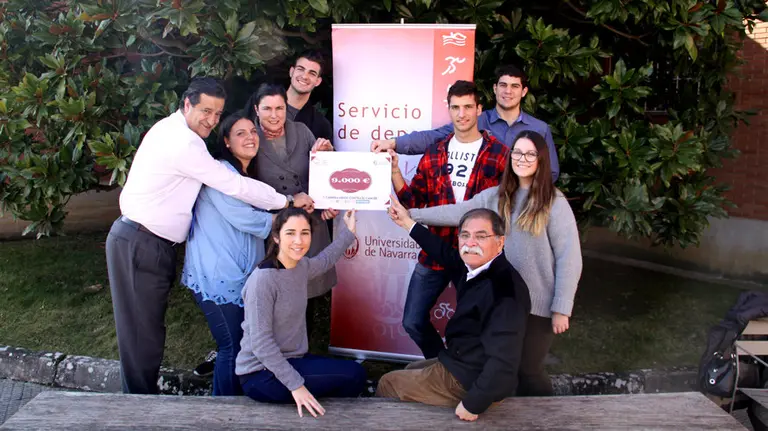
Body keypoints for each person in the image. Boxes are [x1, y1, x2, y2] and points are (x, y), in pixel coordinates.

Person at [106, 78, 313, 395]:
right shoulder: (185, 144)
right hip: (140, 241)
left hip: (152, 244)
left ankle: (142, 402)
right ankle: (138, 408)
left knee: (147, 333)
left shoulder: (180, 135)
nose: (211, 119)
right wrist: (287, 202)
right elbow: (235, 189)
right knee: (140, 336)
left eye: (217, 113)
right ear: (187, 104)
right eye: (206, 111)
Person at [404, 130, 583, 396]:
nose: (522, 158)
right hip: (501, 301)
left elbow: (569, 257)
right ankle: (507, 414)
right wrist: (412, 215)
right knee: (502, 367)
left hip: (537, 306)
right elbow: (458, 212)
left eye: (530, 154)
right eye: (517, 152)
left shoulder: (554, 203)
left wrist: (561, 308)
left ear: (541, 159)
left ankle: (548, 414)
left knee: (528, 370)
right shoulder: (497, 196)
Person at [388, 80, 509, 359]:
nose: (462, 114)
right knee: (413, 321)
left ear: (479, 109)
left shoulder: (499, 153)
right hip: (437, 250)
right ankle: (441, 366)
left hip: (479, 255)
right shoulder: (435, 152)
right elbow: (414, 201)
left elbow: (506, 206)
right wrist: (395, 171)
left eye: (468, 107)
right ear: (449, 110)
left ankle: (473, 371)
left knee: (481, 325)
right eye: (456, 107)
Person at [377, 205, 530, 422]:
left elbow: (505, 362)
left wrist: (473, 404)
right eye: (465, 235)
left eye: (481, 236)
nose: (470, 243)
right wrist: (407, 223)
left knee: (388, 383)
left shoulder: (504, 291)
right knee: (411, 368)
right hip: (461, 360)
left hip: (472, 380)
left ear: (500, 242)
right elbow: (443, 252)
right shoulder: (476, 266)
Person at [236, 208, 367, 417]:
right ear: (276, 237)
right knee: (354, 375)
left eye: (304, 233)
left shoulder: (300, 267)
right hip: (260, 374)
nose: (299, 240)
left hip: (293, 359)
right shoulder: (263, 281)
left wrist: (349, 232)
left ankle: (326, 416)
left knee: (349, 373)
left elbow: (324, 260)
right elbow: (261, 344)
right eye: (290, 233)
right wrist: (296, 386)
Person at [180, 111, 272, 396]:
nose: (250, 137)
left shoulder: (245, 176)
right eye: (240, 133)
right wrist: (292, 217)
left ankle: (235, 406)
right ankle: (222, 412)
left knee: (240, 344)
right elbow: (247, 219)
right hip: (218, 277)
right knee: (231, 346)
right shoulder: (221, 174)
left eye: (253, 131)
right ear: (227, 142)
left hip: (238, 276)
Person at [244, 83, 338, 332]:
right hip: (276, 227)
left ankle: (302, 343)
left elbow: (324, 175)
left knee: (308, 289)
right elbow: (248, 188)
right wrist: (289, 198)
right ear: (256, 109)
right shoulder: (249, 139)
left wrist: (327, 155)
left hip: (310, 222)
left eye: (280, 108)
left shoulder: (302, 131)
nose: (274, 115)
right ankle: (277, 344)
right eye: (267, 109)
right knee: (279, 290)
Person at [372, 65, 560, 181]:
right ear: (495, 89)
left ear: (524, 91)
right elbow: (433, 137)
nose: (508, 91)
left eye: (515, 86)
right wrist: (393, 143)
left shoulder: (539, 129)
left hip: (522, 210)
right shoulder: (474, 120)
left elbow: (551, 173)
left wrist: (524, 194)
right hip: (481, 207)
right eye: (503, 85)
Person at [286, 50, 333, 141]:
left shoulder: (321, 125)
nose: (304, 76)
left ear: (318, 81)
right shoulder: (263, 104)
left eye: (312, 73)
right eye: (300, 69)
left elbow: (325, 150)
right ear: (291, 72)